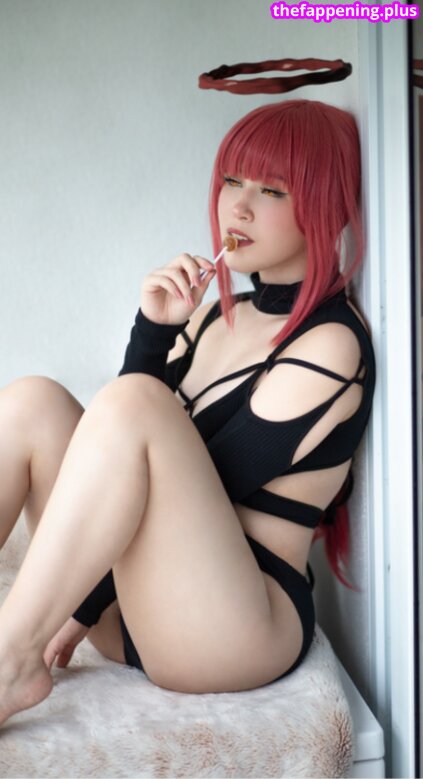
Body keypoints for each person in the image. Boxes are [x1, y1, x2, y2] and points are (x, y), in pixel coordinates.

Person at [0, 98, 375, 725]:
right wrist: (154, 331)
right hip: (142, 609)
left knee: (133, 401)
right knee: (32, 400)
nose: (238, 207)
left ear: (326, 204)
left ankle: (10, 661)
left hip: (232, 631)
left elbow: (184, 470)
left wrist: (80, 604)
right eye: (232, 180)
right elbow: (118, 457)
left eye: (272, 190)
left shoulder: (331, 343)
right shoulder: (209, 320)